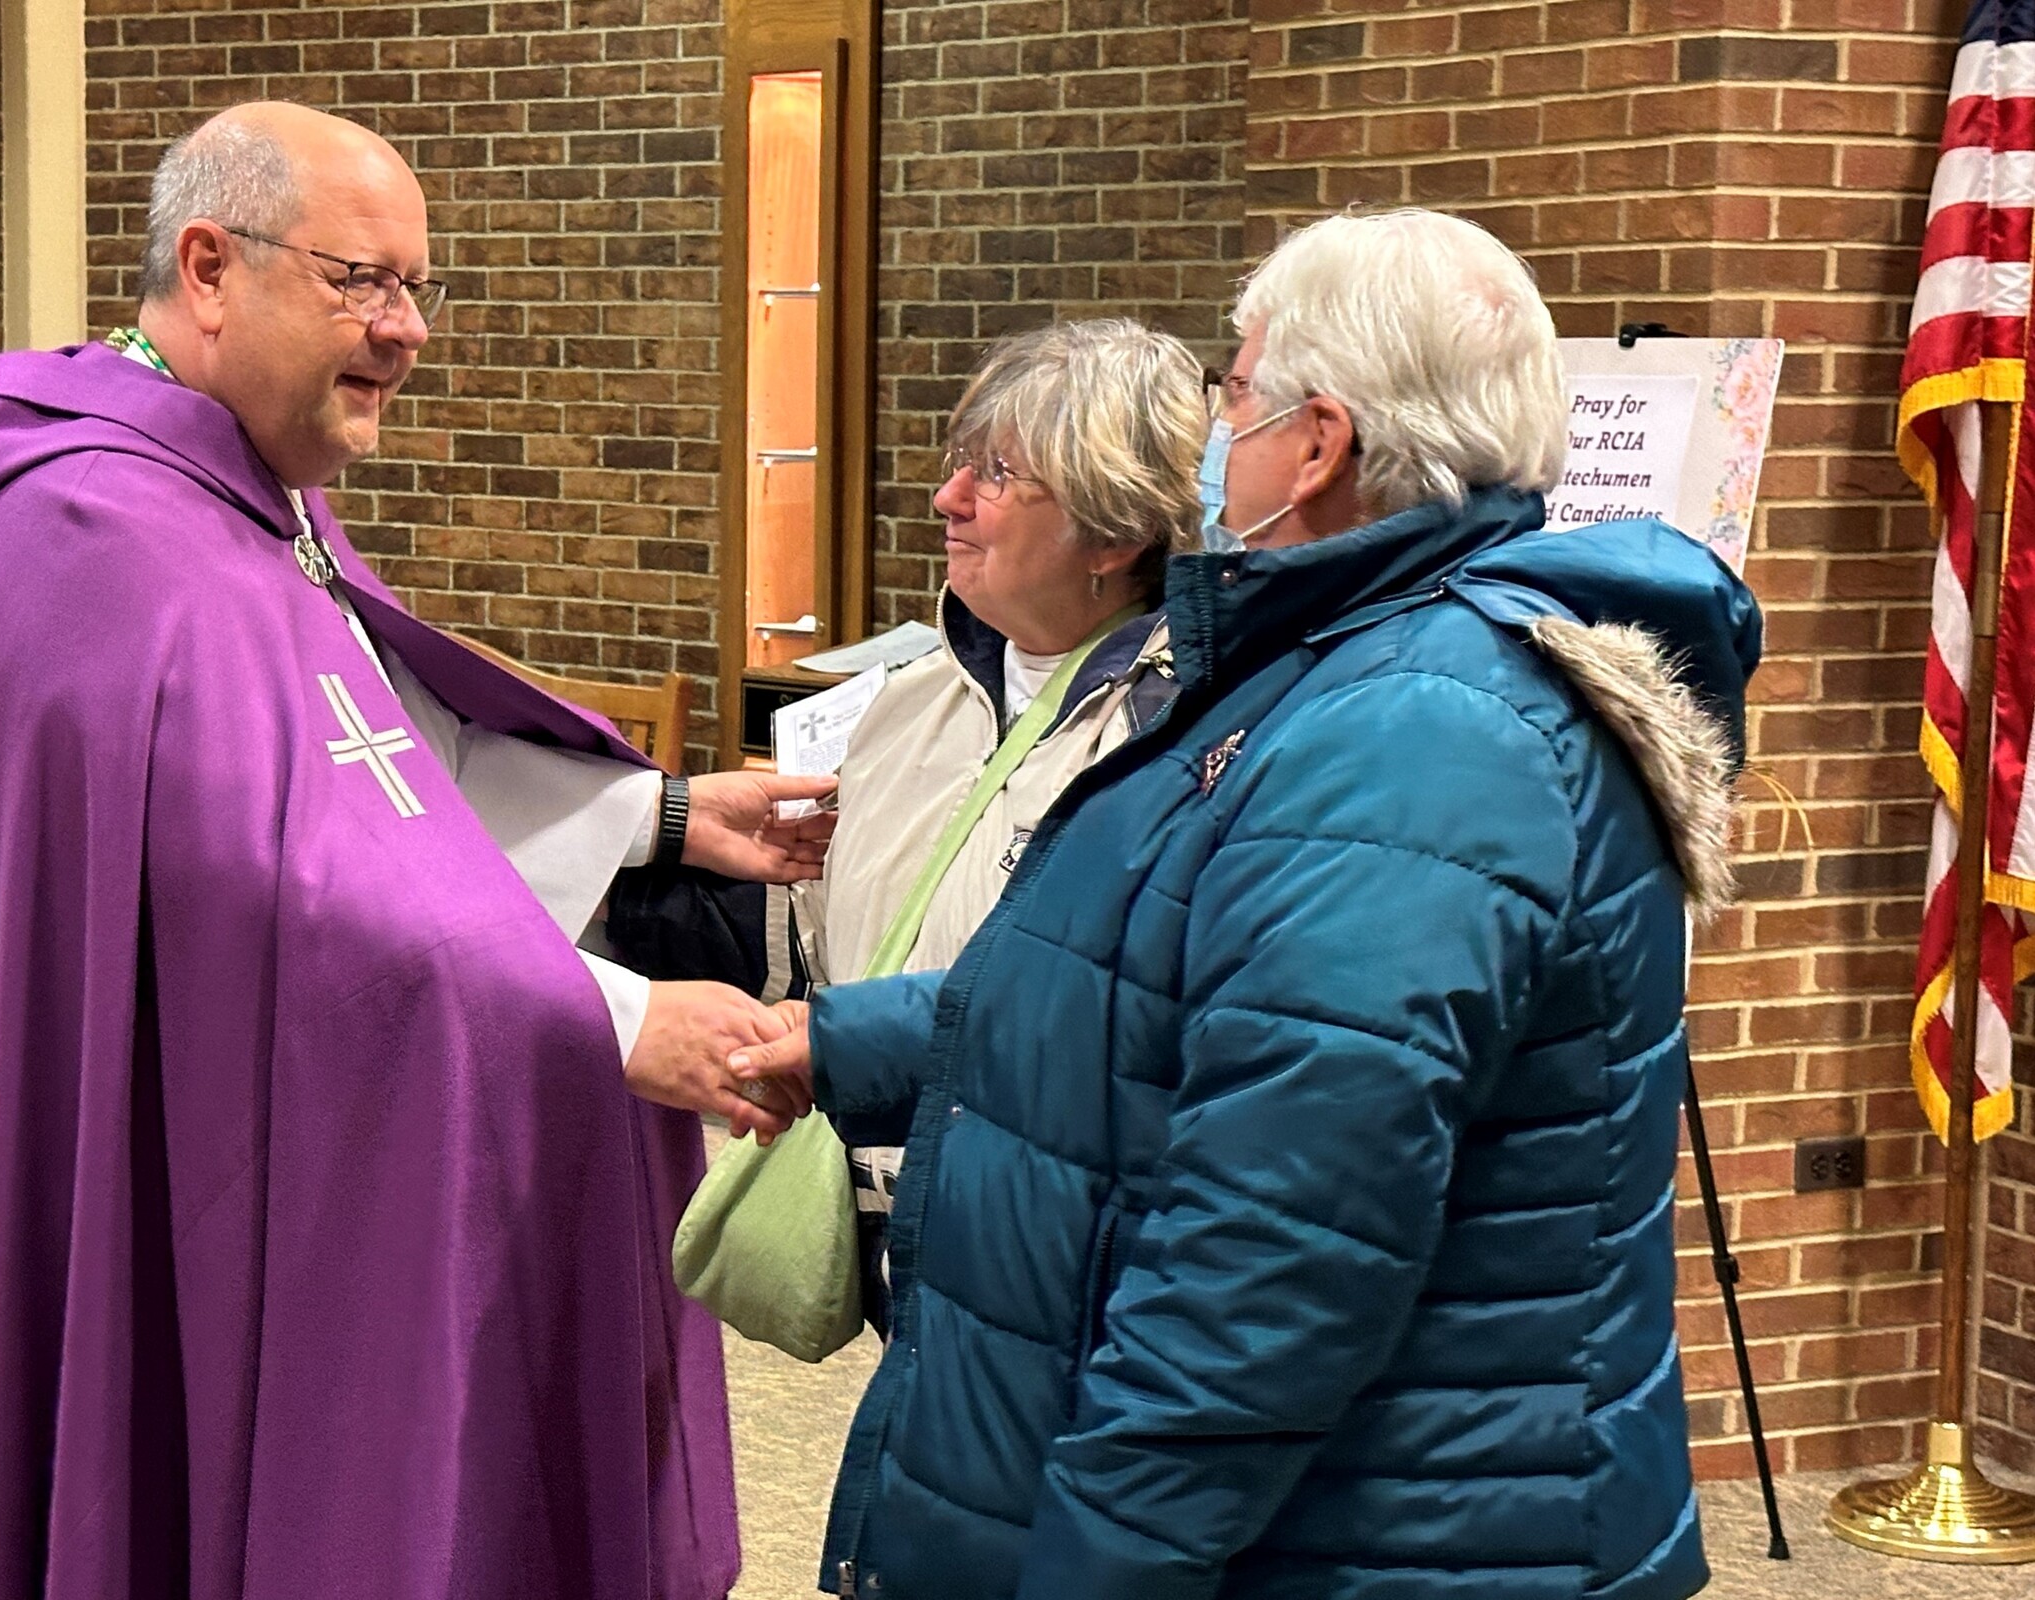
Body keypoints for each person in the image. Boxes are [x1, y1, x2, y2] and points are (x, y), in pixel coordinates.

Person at [0, 103, 824, 1600]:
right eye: (363, 280)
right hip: (136, 1136)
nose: (406, 329)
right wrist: (609, 1018)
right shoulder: (90, 529)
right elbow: (274, 884)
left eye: (418, 286)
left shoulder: (240, 502)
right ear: (209, 267)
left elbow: (380, 763)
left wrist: (662, 819)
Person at [734, 208, 1763, 1599]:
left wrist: (1098, 1566)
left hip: (1378, 1541)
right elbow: (1151, 986)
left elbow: (1275, 1252)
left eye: (1231, 391)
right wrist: (837, 1043)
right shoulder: (1341, 675)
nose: (1212, 440)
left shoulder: (1418, 737)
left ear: (1319, 443)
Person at [613, 318, 1208, 1339]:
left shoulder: (1188, 737)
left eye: (998, 473)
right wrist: (642, 854)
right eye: (959, 462)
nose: (949, 498)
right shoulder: (909, 702)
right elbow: (835, 947)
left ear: (1114, 534)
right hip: (903, 1238)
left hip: (1076, 1266)